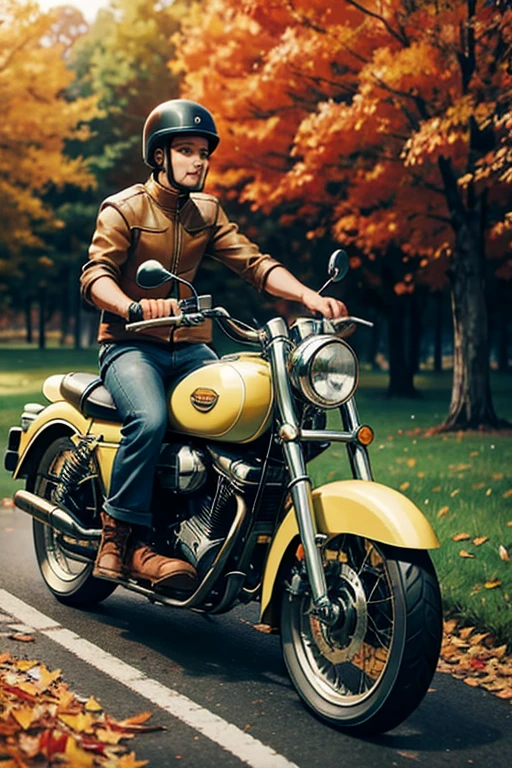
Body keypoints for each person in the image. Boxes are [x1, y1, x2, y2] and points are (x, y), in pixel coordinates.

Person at [80, 99, 347, 592]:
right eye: (185, 150)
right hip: (130, 347)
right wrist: (132, 307)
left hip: (192, 350)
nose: (198, 161)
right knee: (151, 419)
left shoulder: (207, 211)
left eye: (203, 152)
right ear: (160, 155)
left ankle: (236, 527)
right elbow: (95, 275)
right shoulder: (125, 208)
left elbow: (254, 264)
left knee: (252, 410)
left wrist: (308, 294)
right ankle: (121, 536)